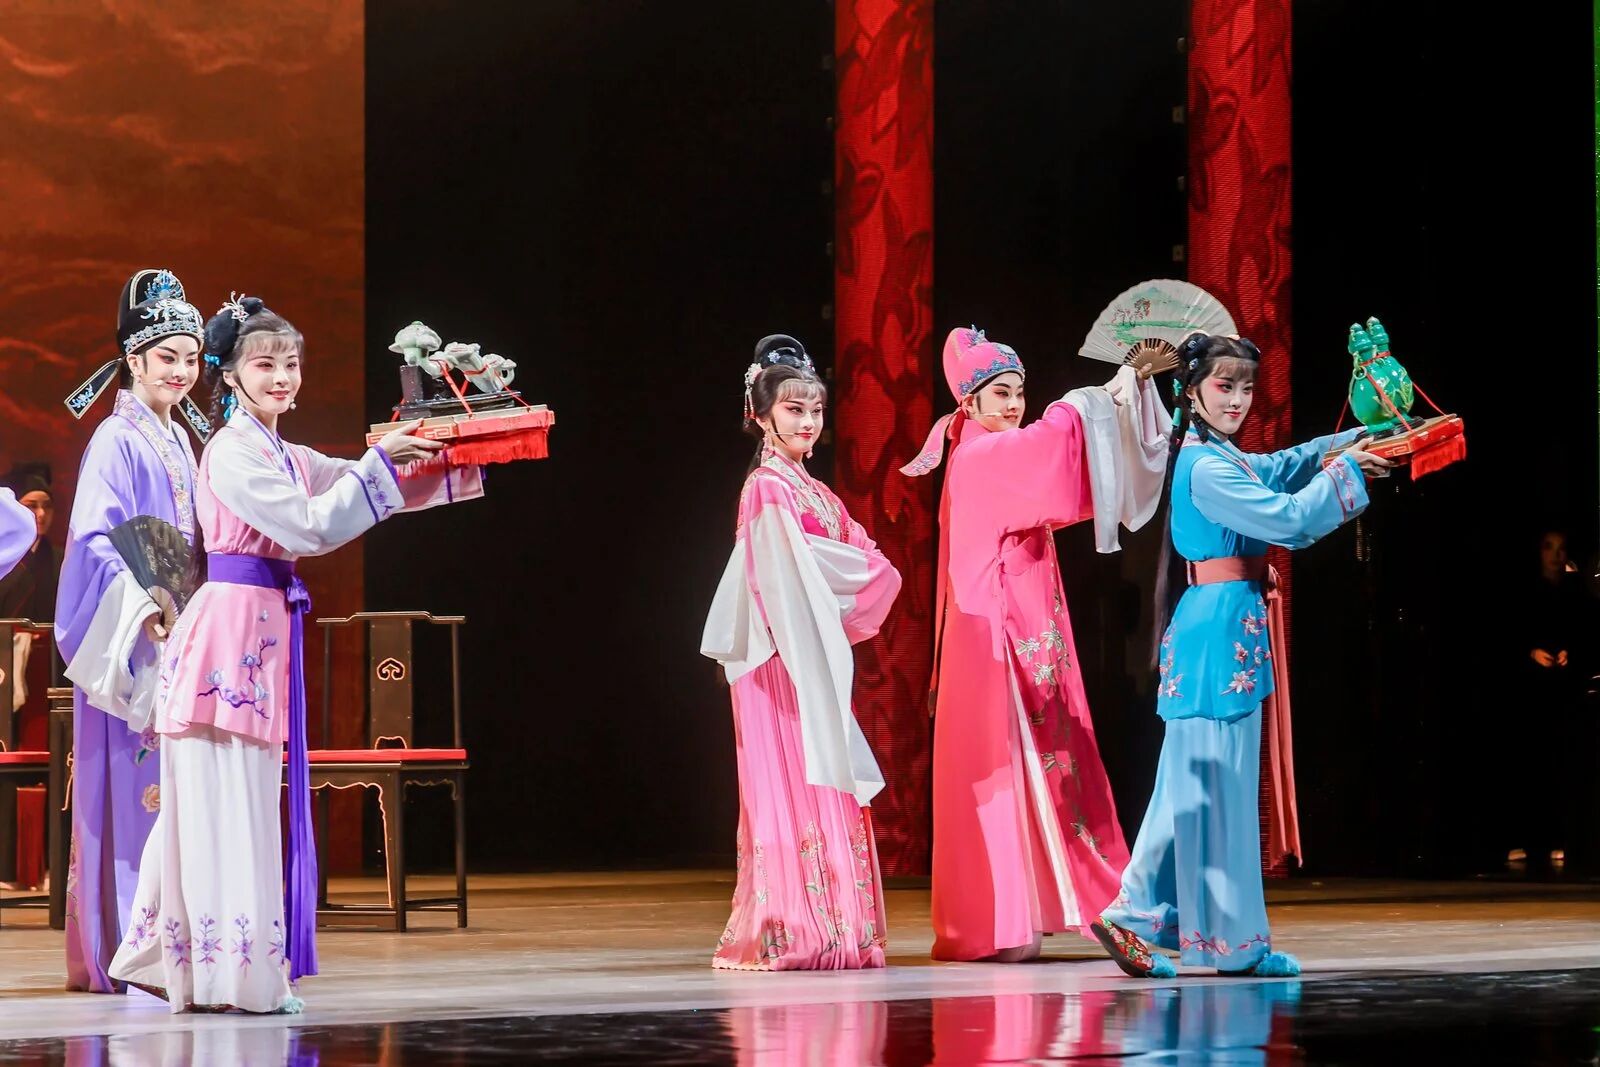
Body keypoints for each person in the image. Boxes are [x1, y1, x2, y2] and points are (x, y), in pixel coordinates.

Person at [107, 294, 482, 1012]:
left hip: (255, 635)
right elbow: (310, 525)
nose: (281, 377)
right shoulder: (232, 451)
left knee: (230, 803)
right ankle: (227, 973)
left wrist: (458, 458)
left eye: (291, 364)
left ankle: (184, 961)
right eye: (264, 365)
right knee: (225, 805)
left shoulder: (280, 451)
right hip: (227, 640)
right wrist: (379, 463)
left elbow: (354, 481)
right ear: (230, 375)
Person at [1096, 332, 1389, 978]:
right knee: (1209, 787)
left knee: (1197, 786)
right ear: (1192, 391)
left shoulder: (1218, 455)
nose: (1238, 399)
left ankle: (1163, 921)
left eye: (1247, 388)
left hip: (1220, 630)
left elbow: (1276, 468)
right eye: (1225, 386)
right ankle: (1176, 924)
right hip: (1217, 636)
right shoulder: (1205, 466)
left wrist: (1346, 444)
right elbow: (1288, 519)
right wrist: (1347, 474)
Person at [902, 325, 1171, 962]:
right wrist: (1114, 390)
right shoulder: (981, 457)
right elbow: (1053, 446)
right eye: (1000, 393)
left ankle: (1030, 912)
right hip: (998, 638)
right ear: (968, 400)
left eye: (1019, 392)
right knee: (1011, 767)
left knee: (1036, 766)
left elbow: (1059, 476)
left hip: (1018, 631)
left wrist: (1127, 390)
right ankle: (1008, 920)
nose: (1014, 404)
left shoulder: (985, 451)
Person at [701, 335, 902, 970]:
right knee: (789, 784)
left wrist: (830, 588)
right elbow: (785, 575)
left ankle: (837, 928)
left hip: (810, 650)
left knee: (822, 777)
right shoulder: (766, 487)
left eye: (815, 409)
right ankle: (790, 927)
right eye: (793, 409)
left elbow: (871, 562)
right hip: (777, 657)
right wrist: (824, 589)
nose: (808, 421)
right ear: (760, 414)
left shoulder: (815, 491)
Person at [55, 269, 206, 991]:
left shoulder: (181, 440)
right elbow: (91, 538)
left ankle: (167, 943)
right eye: (166, 356)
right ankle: (123, 946)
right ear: (133, 359)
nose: (180, 370)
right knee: (132, 788)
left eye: (191, 358)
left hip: (179, 634)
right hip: (132, 638)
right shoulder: (115, 438)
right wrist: (142, 605)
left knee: (173, 794)